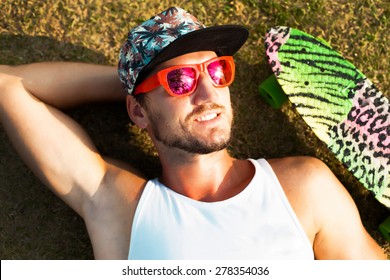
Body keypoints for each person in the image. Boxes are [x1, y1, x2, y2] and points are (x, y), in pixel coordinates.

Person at [0, 6, 386, 260]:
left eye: (216, 71)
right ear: (137, 111)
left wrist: (156, 89)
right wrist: (133, 88)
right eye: (180, 79)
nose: (209, 93)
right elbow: (9, 87)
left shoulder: (305, 188)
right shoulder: (119, 207)